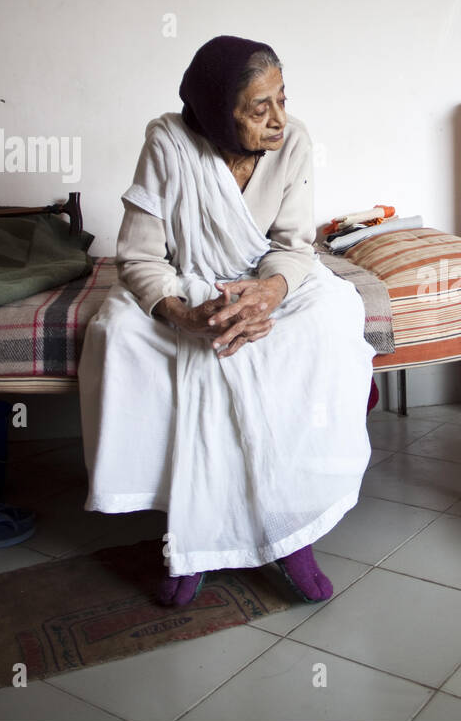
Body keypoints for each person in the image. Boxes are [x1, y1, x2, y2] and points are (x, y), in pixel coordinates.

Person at [78, 35, 375, 607]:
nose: (279, 119)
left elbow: (293, 245)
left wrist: (267, 293)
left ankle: (290, 529)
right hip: (185, 283)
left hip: (267, 281)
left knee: (330, 320)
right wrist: (186, 317)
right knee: (121, 335)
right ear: (217, 112)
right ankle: (192, 535)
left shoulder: (296, 142)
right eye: (258, 108)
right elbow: (139, 257)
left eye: (282, 98)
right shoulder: (168, 142)